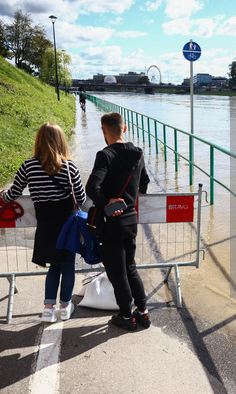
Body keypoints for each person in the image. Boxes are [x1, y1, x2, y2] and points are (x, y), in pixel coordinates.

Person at [0, 123, 86, 322]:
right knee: (68, 266)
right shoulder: (69, 166)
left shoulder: (28, 166)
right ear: (61, 141)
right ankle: (65, 307)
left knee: (54, 266)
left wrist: (3, 195)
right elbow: (80, 197)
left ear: (38, 141)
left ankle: (48, 309)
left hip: (45, 224)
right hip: (67, 224)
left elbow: (14, 192)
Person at [86, 112, 151, 331]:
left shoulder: (105, 155)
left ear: (104, 130)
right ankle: (142, 312)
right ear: (124, 129)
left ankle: (126, 316)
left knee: (116, 273)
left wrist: (107, 202)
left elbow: (91, 188)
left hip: (112, 223)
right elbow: (145, 183)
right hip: (131, 220)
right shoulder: (138, 154)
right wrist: (129, 199)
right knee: (130, 268)